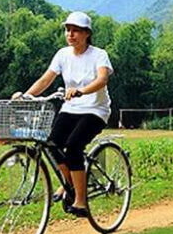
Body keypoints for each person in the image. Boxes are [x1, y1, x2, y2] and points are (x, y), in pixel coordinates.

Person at [11, 11, 113, 217]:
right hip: (71, 108)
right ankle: (69, 183)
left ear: (87, 33)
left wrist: (81, 91)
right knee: (52, 143)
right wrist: (26, 95)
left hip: (95, 109)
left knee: (73, 146)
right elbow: (45, 80)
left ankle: (81, 201)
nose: (70, 34)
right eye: (68, 30)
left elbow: (102, 80)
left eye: (76, 30)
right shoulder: (62, 54)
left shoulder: (99, 54)